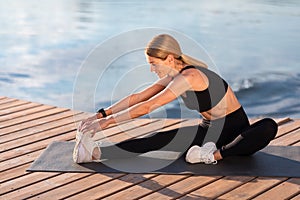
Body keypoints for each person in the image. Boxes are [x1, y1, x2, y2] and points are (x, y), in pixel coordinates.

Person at [73, 34, 278, 164]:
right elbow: (138, 97)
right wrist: (101, 114)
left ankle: (211, 156)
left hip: (236, 131)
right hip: (208, 131)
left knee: (268, 127)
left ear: (170, 59)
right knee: (158, 139)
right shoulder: (173, 76)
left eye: (154, 64)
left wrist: (107, 124)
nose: (152, 69)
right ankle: (95, 153)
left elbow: (147, 107)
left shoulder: (191, 77)